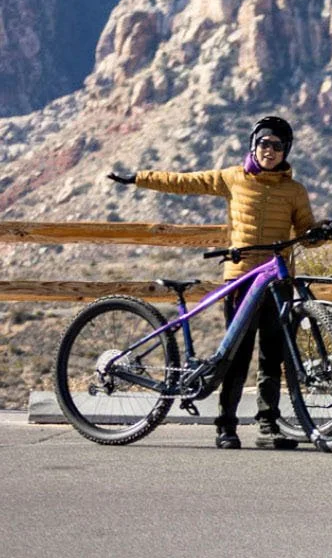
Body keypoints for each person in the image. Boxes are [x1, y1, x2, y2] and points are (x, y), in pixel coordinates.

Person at [109, 116, 317, 450]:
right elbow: (185, 182)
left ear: (286, 151)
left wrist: (320, 233)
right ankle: (226, 426)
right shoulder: (232, 178)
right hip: (241, 279)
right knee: (236, 353)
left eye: (278, 146)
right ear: (253, 145)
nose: (270, 151)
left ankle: (268, 425)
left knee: (272, 355)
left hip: (278, 282)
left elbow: (306, 229)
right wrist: (138, 178)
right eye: (264, 143)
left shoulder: (294, 190)